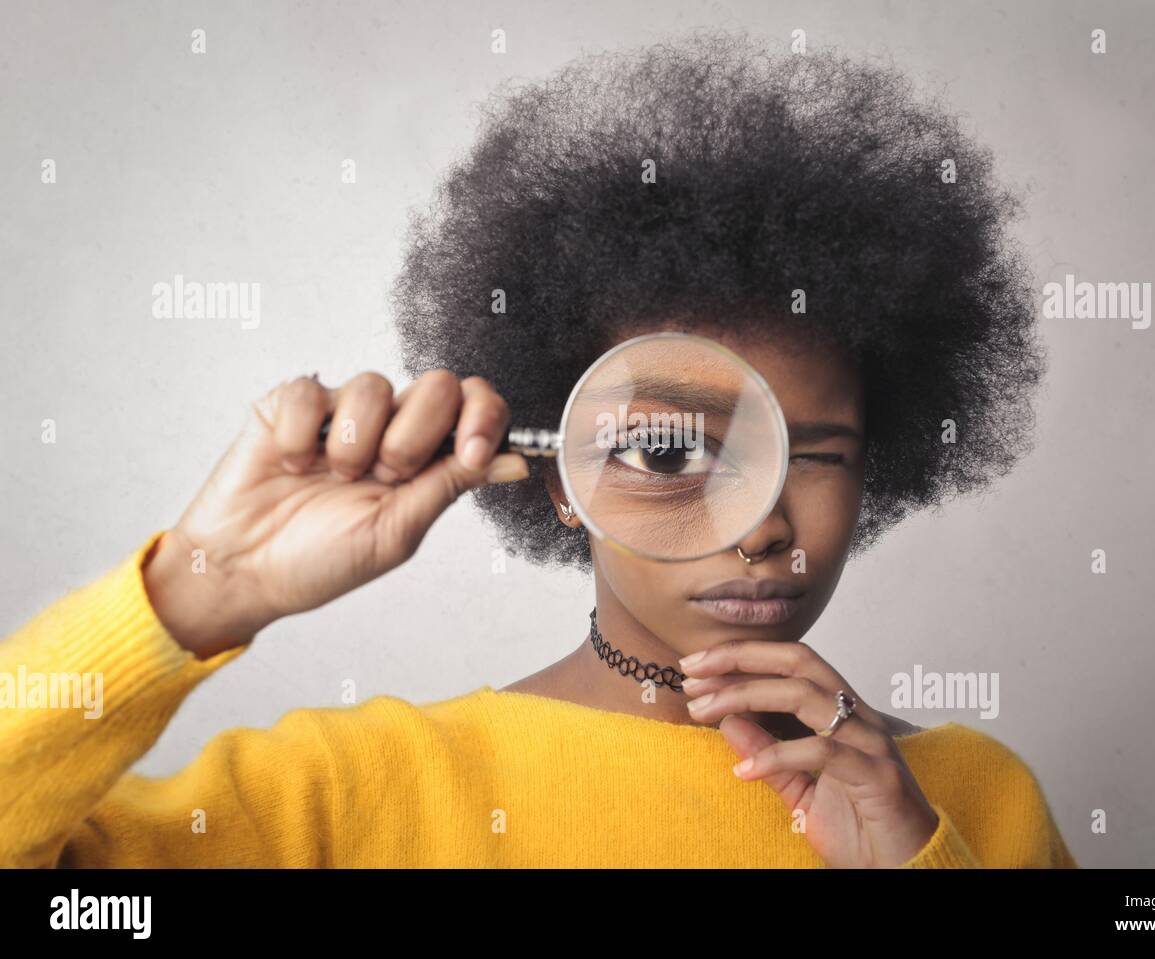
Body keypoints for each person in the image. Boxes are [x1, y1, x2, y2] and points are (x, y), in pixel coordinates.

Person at [0, 30, 1074, 868]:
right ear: (560, 474)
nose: (765, 524)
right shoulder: (351, 787)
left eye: (817, 455)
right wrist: (200, 589)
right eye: (666, 452)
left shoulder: (968, 795)